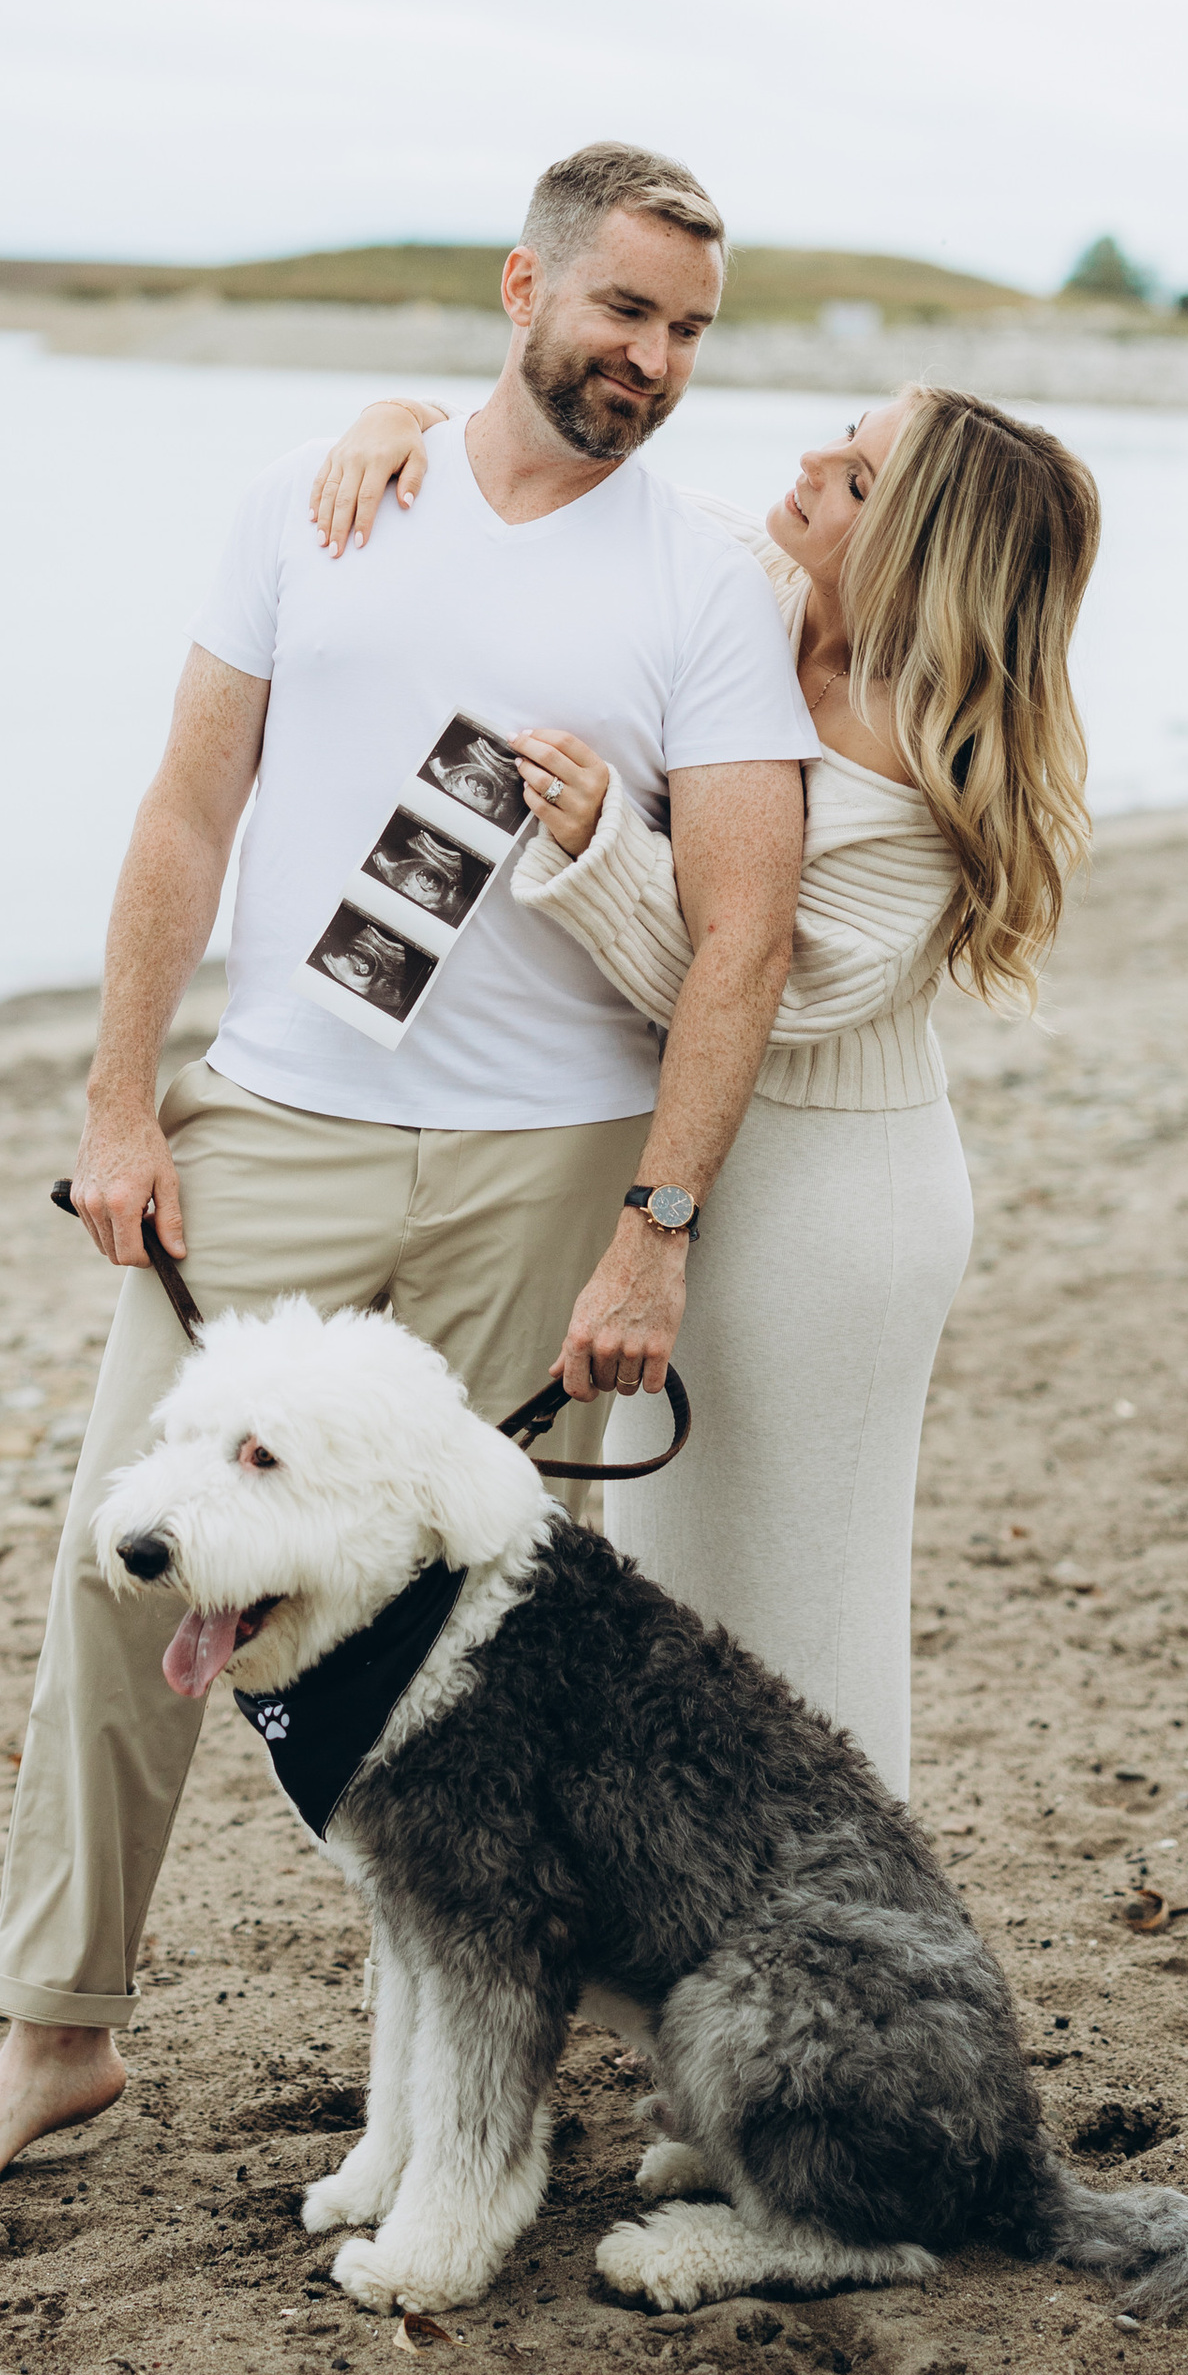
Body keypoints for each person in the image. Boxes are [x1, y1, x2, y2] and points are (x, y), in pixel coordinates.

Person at [0, 143, 820, 2220]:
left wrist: (654, 1230)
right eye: (622, 313)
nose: (651, 362)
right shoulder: (321, 507)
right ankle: (58, 2031)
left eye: (685, 332)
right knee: (116, 1555)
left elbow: (742, 934)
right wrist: (121, 1102)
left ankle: (445, 2075)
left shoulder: (704, 583)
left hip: (547, 1160)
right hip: (281, 1119)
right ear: (523, 287)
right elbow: (184, 805)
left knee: (457, 1638)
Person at [303, 380, 1100, 1799]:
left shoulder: (927, 761)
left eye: (854, 474)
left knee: (797, 1598)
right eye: (841, 440)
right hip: (674, 1158)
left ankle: (844, 1948)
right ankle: (678, 1942)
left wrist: (603, 847)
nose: (808, 463)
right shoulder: (748, 575)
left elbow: (763, 1001)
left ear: (918, 539)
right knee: (660, 1586)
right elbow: (546, 466)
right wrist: (398, 423)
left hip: (826, 1202)